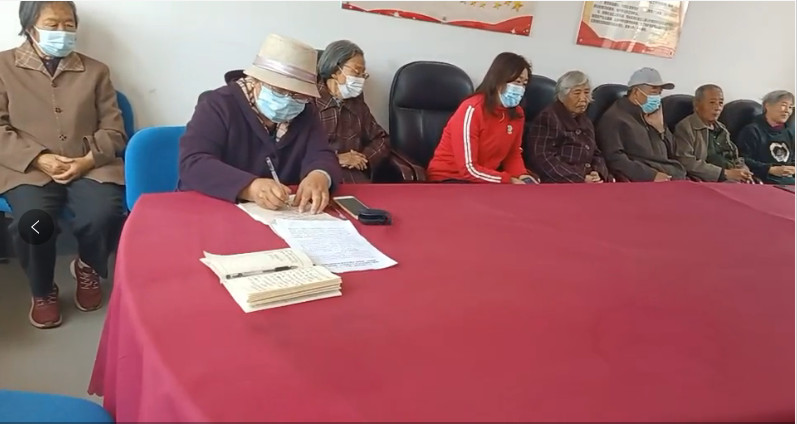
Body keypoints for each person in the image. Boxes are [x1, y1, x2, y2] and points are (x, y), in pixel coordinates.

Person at [0, 1, 127, 329]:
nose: (62, 32)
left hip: (90, 164)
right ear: (30, 26)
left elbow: (115, 130)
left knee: (103, 213)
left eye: (69, 25)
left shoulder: (96, 71)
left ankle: (87, 266)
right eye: (52, 24)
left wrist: (87, 161)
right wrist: (38, 157)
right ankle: (43, 289)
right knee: (33, 223)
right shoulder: (3, 67)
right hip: (28, 168)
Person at [179, 34, 341, 212]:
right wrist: (250, 187)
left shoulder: (306, 111)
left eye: (298, 94)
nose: (288, 100)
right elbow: (193, 162)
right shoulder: (217, 105)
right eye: (279, 90)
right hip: (213, 208)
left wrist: (320, 175)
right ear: (256, 81)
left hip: (280, 214)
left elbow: (322, 153)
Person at [426, 52, 535, 184]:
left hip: (483, 181)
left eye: (524, 83)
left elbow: (513, 154)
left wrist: (522, 176)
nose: (520, 88)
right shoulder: (472, 109)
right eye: (517, 82)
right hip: (449, 178)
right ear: (499, 79)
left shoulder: (517, 113)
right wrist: (509, 180)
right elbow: (468, 169)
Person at [315, 40, 390, 183]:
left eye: (363, 74)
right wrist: (336, 158)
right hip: (317, 179)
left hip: (354, 180)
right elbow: (294, 150)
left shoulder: (357, 105)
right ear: (335, 70)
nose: (361, 79)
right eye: (357, 71)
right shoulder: (307, 101)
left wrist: (363, 158)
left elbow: (381, 139)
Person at [596, 67, 686, 181]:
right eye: (653, 93)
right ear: (636, 92)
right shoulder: (614, 118)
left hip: (672, 173)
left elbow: (674, 153)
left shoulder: (654, 113)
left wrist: (661, 130)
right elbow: (614, 159)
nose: (657, 98)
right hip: (645, 179)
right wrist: (651, 176)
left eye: (659, 93)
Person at [527, 70, 609, 183]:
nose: (583, 98)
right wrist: (580, 178)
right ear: (562, 96)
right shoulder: (549, 117)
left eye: (586, 93)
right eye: (577, 93)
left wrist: (597, 172)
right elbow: (543, 158)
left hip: (587, 180)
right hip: (561, 182)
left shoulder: (585, 120)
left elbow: (596, 153)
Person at [673, 84, 753, 183]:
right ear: (697, 105)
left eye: (720, 103)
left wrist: (743, 170)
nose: (717, 107)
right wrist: (725, 173)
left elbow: (734, 156)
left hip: (733, 177)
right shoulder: (686, 128)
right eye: (712, 102)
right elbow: (686, 161)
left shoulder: (721, 128)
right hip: (711, 180)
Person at [736, 90, 795, 185]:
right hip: (765, 180)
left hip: (789, 181)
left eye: (790, 107)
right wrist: (770, 169)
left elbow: (793, 159)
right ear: (767, 105)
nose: (787, 111)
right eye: (783, 105)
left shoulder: (790, 133)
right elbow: (743, 159)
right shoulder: (752, 131)